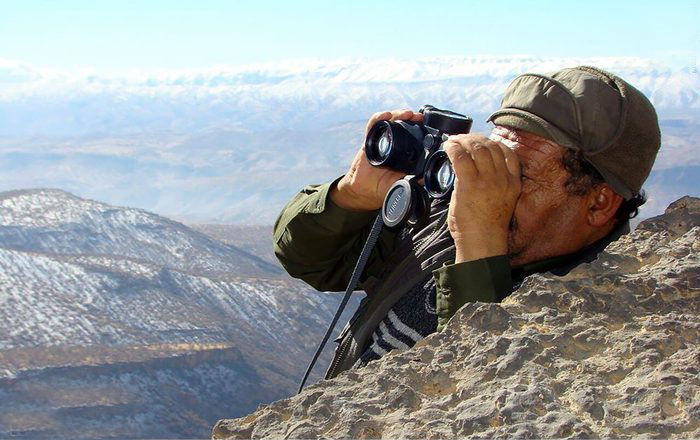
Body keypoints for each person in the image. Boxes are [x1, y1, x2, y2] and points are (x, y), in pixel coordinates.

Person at [273, 66, 661, 379]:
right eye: (491, 161)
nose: (487, 189)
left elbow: (475, 396)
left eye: (515, 177)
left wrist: (478, 250)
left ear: (599, 203)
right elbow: (311, 262)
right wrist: (351, 196)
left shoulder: (607, 313)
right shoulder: (447, 219)